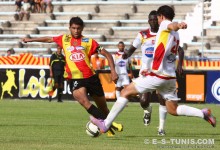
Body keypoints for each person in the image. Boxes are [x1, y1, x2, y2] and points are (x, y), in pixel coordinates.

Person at [90, 5, 216, 134]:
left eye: (158, 18)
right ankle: (203, 114)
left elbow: (171, 25)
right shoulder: (176, 35)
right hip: (169, 77)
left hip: (159, 75)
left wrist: (179, 24)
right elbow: (167, 47)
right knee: (173, 109)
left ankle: (106, 124)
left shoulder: (165, 25)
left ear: (161, 16)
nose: (157, 20)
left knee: (125, 92)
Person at [22, 16, 123, 137]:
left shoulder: (89, 41)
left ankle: (108, 129)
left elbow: (107, 54)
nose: (76, 31)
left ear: (82, 28)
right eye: (73, 28)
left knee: (104, 108)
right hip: (75, 79)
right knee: (84, 102)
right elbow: (49, 39)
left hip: (91, 78)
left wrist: (113, 71)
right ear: (69, 28)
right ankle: (112, 124)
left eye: (78, 28)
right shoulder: (64, 39)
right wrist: (31, 40)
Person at [124, 10, 168, 135]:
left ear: (159, 20)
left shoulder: (164, 33)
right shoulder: (142, 35)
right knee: (143, 101)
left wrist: (179, 63)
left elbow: (179, 50)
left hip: (161, 71)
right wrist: (125, 55)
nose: (154, 21)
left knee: (162, 98)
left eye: (156, 19)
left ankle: (161, 128)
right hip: (146, 73)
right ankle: (148, 111)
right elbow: (132, 48)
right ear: (148, 21)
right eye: (151, 19)